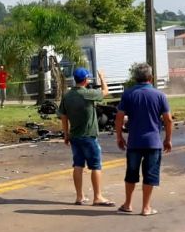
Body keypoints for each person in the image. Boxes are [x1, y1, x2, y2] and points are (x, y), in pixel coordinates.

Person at [114, 63, 173, 216]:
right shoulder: (159, 95)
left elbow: (119, 118)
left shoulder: (128, 94)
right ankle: (146, 207)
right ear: (151, 77)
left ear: (135, 78)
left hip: (134, 142)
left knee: (131, 173)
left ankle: (128, 204)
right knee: (150, 174)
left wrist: (119, 136)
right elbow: (168, 120)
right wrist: (168, 139)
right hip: (153, 142)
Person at [58, 67, 114, 207]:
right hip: (88, 136)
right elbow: (105, 92)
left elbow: (63, 117)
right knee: (95, 165)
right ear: (85, 80)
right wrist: (102, 78)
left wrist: (66, 134)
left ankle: (79, 196)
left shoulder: (67, 96)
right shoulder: (88, 93)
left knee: (78, 165)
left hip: (74, 136)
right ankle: (98, 197)